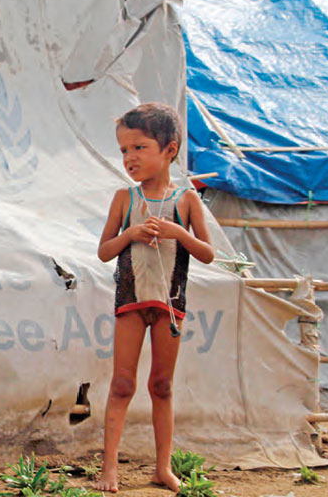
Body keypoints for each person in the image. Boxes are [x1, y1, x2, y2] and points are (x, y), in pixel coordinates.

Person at [94, 102, 215, 493]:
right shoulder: (124, 199)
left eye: (139, 148)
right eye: (124, 150)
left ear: (170, 150)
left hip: (169, 305)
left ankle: (163, 468)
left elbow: (208, 254)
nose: (129, 157)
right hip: (130, 302)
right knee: (122, 383)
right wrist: (131, 234)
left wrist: (177, 233)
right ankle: (110, 469)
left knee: (162, 385)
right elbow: (104, 251)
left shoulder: (187, 200)